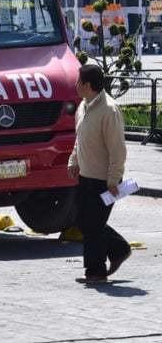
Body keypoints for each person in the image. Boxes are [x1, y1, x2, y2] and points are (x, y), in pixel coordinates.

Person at [68, 64, 132, 284]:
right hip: (85, 175)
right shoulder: (83, 106)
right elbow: (79, 139)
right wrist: (73, 160)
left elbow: (117, 149)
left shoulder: (109, 110)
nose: (75, 86)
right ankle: (119, 248)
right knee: (81, 219)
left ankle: (95, 272)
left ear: (87, 85)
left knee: (93, 225)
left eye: (78, 82)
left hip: (105, 180)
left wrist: (114, 178)